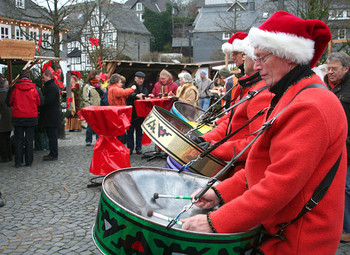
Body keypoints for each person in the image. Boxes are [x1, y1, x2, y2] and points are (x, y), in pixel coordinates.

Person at [182, 11, 347, 254]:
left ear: (288, 57)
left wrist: (215, 222)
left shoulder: (310, 105)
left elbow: (279, 184)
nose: (256, 67)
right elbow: (264, 164)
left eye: (261, 58)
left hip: (297, 238)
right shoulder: (294, 94)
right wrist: (220, 192)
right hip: (283, 229)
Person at [197, 35, 271, 175]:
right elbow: (232, 122)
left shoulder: (262, 92)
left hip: (243, 168)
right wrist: (205, 139)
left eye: (243, 54)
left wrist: (215, 148)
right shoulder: (248, 86)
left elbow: (255, 144)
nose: (239, 58)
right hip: (235, 162)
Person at [324, 51, 350, 243]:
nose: (330, 72)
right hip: (330, 146)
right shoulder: (323, 84)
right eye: (328, 68)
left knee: (347, 188)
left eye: (335, 69)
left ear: (346, 68)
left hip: (348, 146)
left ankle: (347, 229)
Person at [6, 70, 44, 168]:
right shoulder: (35, 89)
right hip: (31, 117)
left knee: (18, 140)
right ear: (29, 77)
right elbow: (40, 102)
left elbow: (8, 102)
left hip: (18, 117)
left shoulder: (14, 89)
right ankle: (29, 161)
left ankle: (18, 162)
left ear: (19, 78)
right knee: (29, 139)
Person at [126, 71, 149, 154]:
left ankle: (139, 147)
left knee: (139, 131)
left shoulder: (144, 87)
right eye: (139, 78)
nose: (141, 80)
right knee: (130, 132)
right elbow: (128, 94)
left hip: (140, 113)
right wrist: (136, 95)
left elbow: (146, 93)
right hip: (132, 113)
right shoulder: (131, 86)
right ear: (135, 78)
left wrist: (145, 95)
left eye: (142, 79)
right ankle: (130, 148)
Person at [41, 69, 60, 161]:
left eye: (43, 77)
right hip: (51, 116)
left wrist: (41, 101)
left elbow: (49, 101)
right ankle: (52, 152)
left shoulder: (51, 87)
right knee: (51, 136)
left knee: (52, 136)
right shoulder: (51, 86)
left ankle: (53, 154)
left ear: (48, 76)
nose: (42, 79)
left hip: (51, 116)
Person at [82, 70, 106, 146]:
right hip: (92, 108)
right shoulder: (87, 86)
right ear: (93, 75)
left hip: (100, 107)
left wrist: (100, 87)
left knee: (99, 125)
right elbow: (85, 98)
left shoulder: (100, 85)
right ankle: (88, 140)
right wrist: (88, 108)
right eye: (97, 75)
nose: (99, 76)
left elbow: (105, 92)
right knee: (90, 124)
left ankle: (98, 139)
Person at [0, 74, 12, 162]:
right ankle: (10, 155)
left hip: (2, 119)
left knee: (2, 138)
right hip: (9, 118)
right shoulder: (8, 93)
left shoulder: (1, 94)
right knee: (7, 137)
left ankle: (5, 156)